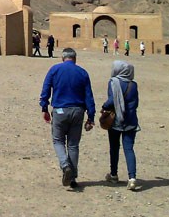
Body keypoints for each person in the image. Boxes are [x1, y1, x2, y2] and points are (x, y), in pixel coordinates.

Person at [39, 48, 96, 189]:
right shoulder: (82, 72)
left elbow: (46, 89)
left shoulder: (55, 70)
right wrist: (91, 116)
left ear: (62, 58)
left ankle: (65, 166)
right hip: (78, 111)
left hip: (60, 110)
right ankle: (72, 178)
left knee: (58, 141)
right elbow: (89, 96)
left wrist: (44, 107)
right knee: (73, 145)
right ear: (75, 59)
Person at [102, 60, 140, 191]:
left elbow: (112, 100)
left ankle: (114, 175)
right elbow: (136, 103)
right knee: (129, 149)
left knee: (114, 148)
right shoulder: (133, 85)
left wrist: (104, 107)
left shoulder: (113, 82)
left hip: (116, 121)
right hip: (131, 120)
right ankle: (132, 178)